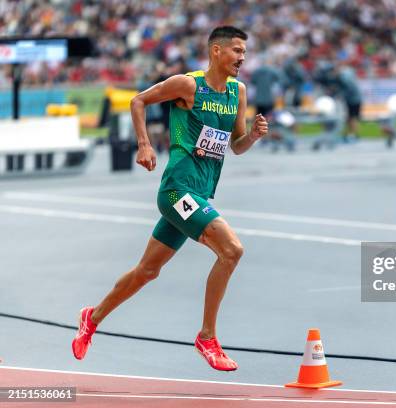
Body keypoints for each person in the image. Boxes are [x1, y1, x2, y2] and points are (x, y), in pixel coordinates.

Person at [71, 26, 268, 372]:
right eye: (236, 51)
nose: (242, 58)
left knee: (147, 271)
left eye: (244, 53)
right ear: (217, 52)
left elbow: (235, 147)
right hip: (178, 189)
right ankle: (207, 337)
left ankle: (92, 317)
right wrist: (144, 144)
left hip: (201, 192)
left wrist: (251, 136)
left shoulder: (238, 92)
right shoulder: (188, 85)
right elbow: (138, 100)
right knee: (232, 250)